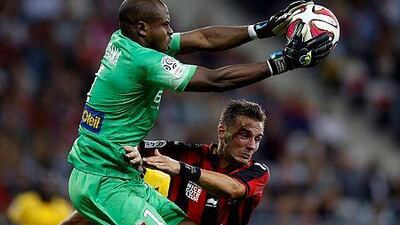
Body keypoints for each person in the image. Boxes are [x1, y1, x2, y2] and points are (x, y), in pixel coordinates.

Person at [65, 0, 333, 224]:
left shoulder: (127, 40)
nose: (171, 31)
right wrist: (280, 64)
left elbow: (203, 39)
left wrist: (262, 29)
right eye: (165, 25)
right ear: (143, 28)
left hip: (114, 174)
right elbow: (216, 80)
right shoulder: (143, 61)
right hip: (106, 180)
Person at [140, 100, 269, 225]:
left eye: (257, 139)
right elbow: (133, 147)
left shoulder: (257, 171)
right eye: (245, 135)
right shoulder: (187, 153)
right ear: (222, 131)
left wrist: (182, 168)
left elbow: (233, 188)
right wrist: (135, 153)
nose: (252, 145)